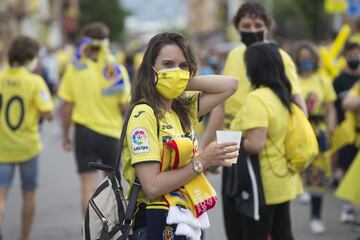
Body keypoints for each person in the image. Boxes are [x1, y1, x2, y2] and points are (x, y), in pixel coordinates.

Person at [199, 3, 306, 239]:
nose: (253, 30)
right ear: (237, 28)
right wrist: (205, 152)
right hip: (233, 147)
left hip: (265, 156)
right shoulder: (235, 56)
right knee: (235, 224)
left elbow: (299, 108)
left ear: (268, 27)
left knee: (267, 228)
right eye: (246, 25)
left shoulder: (280, 57)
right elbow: (221, 107)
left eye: (258, 25)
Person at [122, 32, 239, 239]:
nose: (176, 71)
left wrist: (182, 81)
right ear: (151, 70)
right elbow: (152, 186)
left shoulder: (181, 110)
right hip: (155, 223)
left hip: (188, 219)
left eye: (183, 65)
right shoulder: (143, 114)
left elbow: (231, 85)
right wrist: (202, 161)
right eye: (167, 64)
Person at [229, 42, 302, 240]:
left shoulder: (257, 98)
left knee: (256, 234)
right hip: (282, 179)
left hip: (261, 184)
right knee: (282, 233)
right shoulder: (282, 95)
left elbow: (255, 144)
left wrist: (229, 143)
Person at [58, 22, 131, 216]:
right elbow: (126, 106)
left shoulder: (74, 69)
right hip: (111, 134)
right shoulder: (116, 70)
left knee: (87, 189)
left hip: (84, 133)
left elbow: (66, 106)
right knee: (113, 188)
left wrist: (65, 135)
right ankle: (112, 231)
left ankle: (89, 232)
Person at [0, 36, 54, 240]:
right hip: (28, 147)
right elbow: (48, 113)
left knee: (1, 196)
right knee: (29, 194)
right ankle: (24, 237)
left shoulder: (1, 77)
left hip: (2, 146)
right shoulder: (35, 81)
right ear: (30, 58)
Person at [294, 42, 337, 234]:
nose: (306, 62)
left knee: (318, 173)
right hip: (297, 130)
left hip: (318, 131)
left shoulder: (322, 80)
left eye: (309, 58)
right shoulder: (292, 79)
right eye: (303, 58)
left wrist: (331, 127)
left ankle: (316, 216)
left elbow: (330, 108)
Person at [333, 42, 360, 223]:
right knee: (345, 167)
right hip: (346, 131)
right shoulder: (339, 80)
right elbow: (341, 105)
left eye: (357, 54)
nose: (354, 58)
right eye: (350, 55)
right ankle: (347, 207)